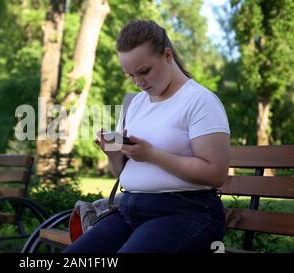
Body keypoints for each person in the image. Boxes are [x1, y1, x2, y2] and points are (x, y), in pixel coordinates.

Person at [65, 20, 230, 253]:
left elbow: (216, 173)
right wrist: (113, 154)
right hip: (129, 211)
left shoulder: (200, 101)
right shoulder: (136, 103)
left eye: (144, 71)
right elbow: (125, 174)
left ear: (167, 55)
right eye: (130, 75)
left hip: (186, 214)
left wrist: (152, 155)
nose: (139, 82)